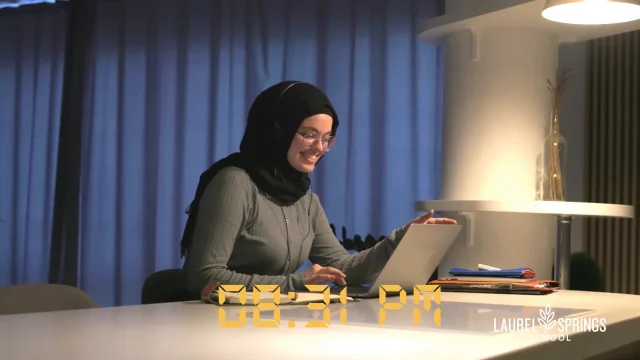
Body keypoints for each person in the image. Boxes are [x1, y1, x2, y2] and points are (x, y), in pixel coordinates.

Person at [179, 81, 456, 296]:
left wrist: (399, 242)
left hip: (267, 323)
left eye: (326, 138)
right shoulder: (235, 182)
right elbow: (205, 276)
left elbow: (340, 267)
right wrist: (297, 282)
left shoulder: (305, 198)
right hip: (216, 326)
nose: (320, 148)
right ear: (277, 131)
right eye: (309, 134)